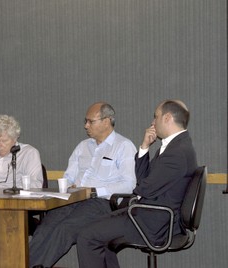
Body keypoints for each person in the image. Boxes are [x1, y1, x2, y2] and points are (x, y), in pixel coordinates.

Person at [76, 99, 198, 268]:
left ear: (167, 118)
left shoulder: (176, 153)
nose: (152, 122)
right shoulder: (178, 146)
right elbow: (143, 180)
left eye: (156, 117)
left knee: (87, 236)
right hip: (149, 214)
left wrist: (140, 188)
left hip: (154, 223)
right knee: (98, 233)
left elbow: (143, 187)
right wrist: (144, 147)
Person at [29, 102, 137, 268]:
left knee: (64, 230)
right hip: (73, 198)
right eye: (85, 121)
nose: (86, 126)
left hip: (101, 202)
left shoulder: (124, 146)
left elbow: (129, 184)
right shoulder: (82, 146)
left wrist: (94, 191)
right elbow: (69, 176)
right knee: (45, 228)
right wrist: (69, 186)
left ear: (106, 121)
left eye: (90, 121)